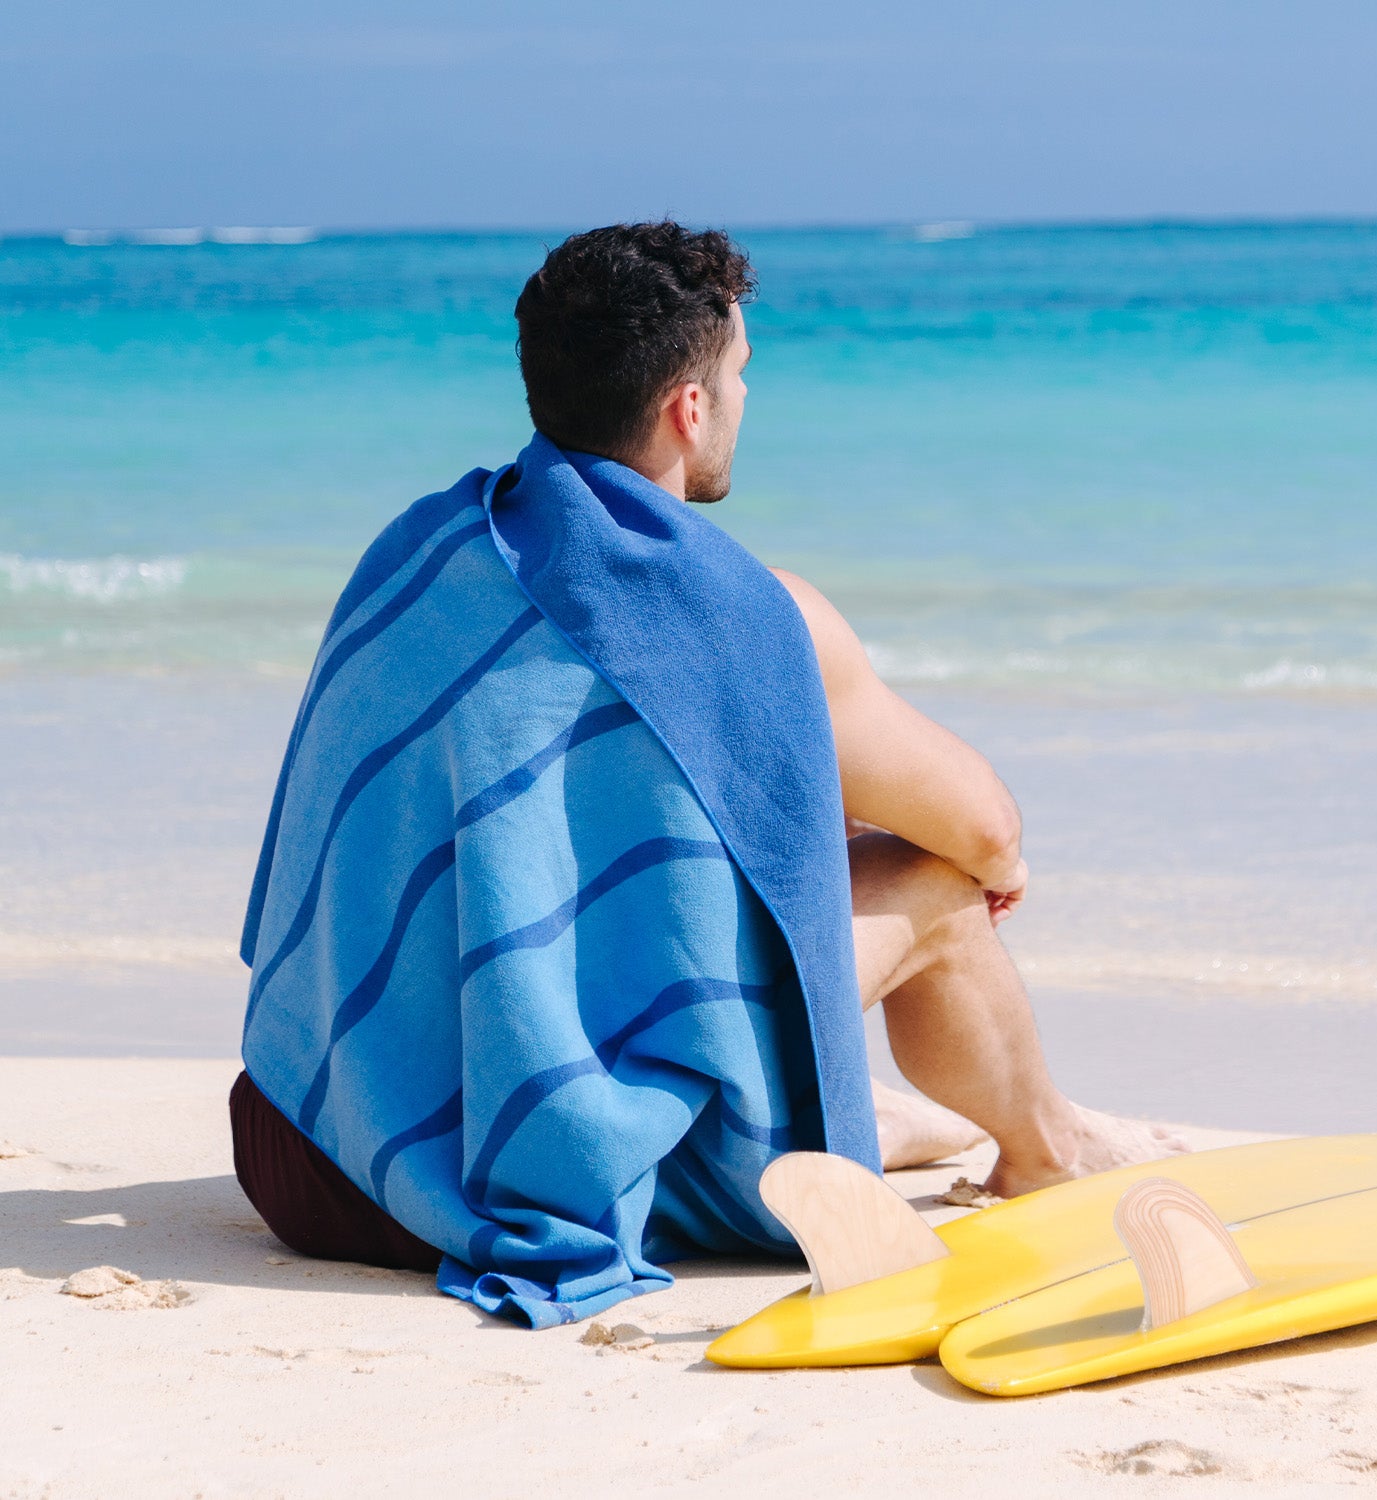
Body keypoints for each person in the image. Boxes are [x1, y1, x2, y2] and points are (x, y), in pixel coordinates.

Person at [230, 221, 1183, 1324]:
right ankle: (1045, 1150)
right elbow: (983, 830)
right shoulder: (753, 620)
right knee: (937, 893)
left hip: (309, 1149)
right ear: (690, 405)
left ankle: (887, 1120)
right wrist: (944, 858)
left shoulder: (420, 553)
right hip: (505, 1177)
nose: (741, 398)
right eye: (738, 374)